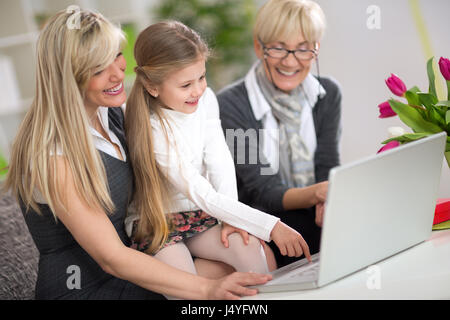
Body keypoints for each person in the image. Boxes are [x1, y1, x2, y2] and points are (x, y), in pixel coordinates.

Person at [3, 9, 272, 300]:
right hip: (87, 287)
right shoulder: (53, 155)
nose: (119, 73)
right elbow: (111, 258)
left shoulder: (113, 114)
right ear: (68, 79)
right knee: (235, 279)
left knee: (256, 258)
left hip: (136, 260)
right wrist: (207, 289)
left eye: (116, 55)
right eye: (98, 70)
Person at [124, 20, 312, 290]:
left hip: (200, 213)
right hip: (157, 222)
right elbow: (200, 191)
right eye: (186, 84)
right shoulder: (154, 127)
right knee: (187, 287)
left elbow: (220, 161)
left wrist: (231, 220)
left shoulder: (206, 100)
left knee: (249, 251)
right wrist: (270, 226)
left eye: (202, 77)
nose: (198, 89)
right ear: (153, 87)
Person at [217, 0, 342, 268]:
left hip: (316, 215)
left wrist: (327, 200)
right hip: (266, 221)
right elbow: (263, 190)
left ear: (316, 49)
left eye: (303, 50)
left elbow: (327, 166)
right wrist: (319, 193)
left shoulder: (327, 95)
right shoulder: (232, 104)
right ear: (259, 47)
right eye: (278, 48)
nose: (290, 61)